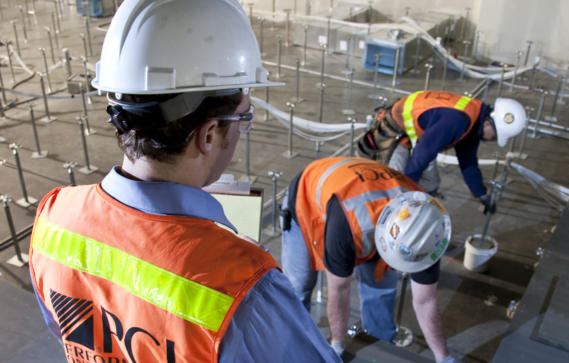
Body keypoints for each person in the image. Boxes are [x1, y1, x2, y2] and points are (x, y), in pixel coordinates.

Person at [28, 1, 339, 362]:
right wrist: (241, 270)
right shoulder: (244, 288)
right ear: (208, 135)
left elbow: (66, 334)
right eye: (243, 117)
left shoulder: (53, 218)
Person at [280, 157, 462, 363]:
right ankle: (293, 347)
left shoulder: (429, 231)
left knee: (381, 290)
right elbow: (339, 290)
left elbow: (426, 299)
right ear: (385, 241)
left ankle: (379, 345)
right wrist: (337, 347)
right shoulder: (348, 225)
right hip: (308, 197)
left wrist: (443, 357)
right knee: (299, 286)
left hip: (367, 204)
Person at [358, 91, 526, 213]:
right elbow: (422, 155)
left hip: (419, 135)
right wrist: (405, 192)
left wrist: (481, 194)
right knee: (394, 184)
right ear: (490, 124)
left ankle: (416, 209)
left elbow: (468, 162)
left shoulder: (475, 120)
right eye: (494, 136)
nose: (491, 140)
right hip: (397, 129)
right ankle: (382, 222)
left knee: (430, 183)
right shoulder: (457, 121)